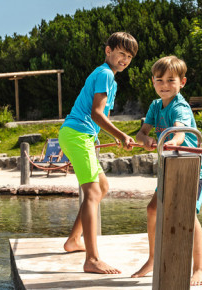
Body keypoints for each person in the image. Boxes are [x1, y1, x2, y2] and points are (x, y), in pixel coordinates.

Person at [60, 31, 138, 275]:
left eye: (129, 56)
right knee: (92, 191)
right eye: (121, 53)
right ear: (108, 51)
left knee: (101, 188)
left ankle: (74, 240)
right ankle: (92, 259)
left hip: (80, 135)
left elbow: (102, 116)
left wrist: (113, 135)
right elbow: (96, 113)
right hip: (77, 134)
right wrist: (121, 135)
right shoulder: (105, 73)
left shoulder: (110, 79)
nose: (124, 59)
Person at [132, 56, 202, 286]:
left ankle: (199, 267)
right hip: (169, 167)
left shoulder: (180, 106)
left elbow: (179, 132)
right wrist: (145, 138)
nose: (164, 85)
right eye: (159, 80)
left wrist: (171, 140)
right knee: (153, 209)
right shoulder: (156, 106)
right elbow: (141, 132)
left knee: (189, 215)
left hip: (190, 167)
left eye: (170, 80)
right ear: (153, 82)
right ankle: (153, 258)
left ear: (182, 82)